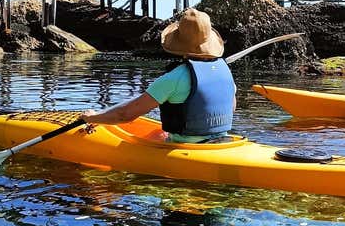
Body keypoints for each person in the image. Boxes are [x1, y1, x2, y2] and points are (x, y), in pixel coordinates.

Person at [82, 8, 235, 143]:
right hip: (223, 141)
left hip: (186, 147)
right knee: (158, 134)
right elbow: (231, 107)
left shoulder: (174, 78)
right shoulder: (225, 71)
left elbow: (124, 115)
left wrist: (92, 117)